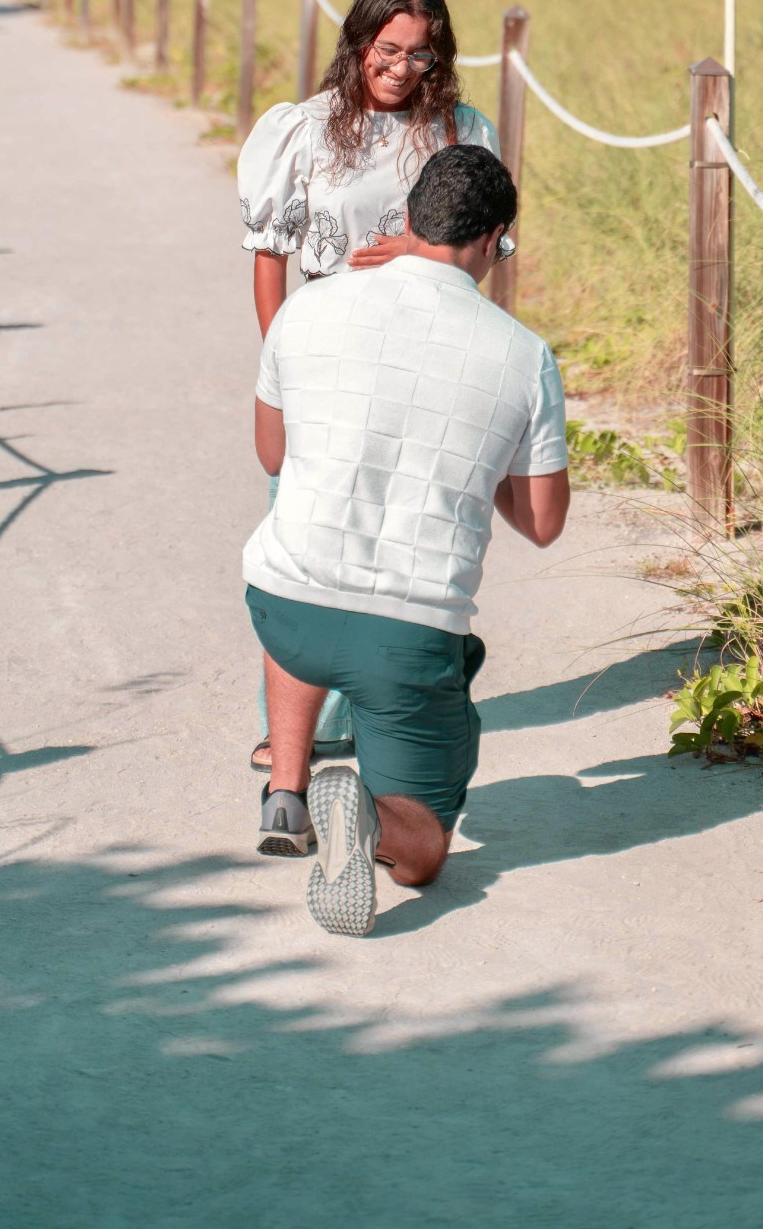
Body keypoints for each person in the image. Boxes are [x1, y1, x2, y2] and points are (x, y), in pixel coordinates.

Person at [243, 143, 570, 936]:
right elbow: (543, 524)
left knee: (304, 555)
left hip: (281, 606)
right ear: (494, 239)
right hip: (409, 632)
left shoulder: (306, 309)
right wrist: (480, 456)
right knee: (425, 854)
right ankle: (374, 824)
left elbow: (274, 456)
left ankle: (287, 787)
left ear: (409, 219)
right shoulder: (525, 357)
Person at [237, 0, 499, 773]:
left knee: (399, 532)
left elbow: (485, 260)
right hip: (326, 354)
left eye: (422, 55)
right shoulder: (303, 130)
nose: (402, 69)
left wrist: (419, 251)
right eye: (388, 49)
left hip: (426, 360)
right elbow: (269, 258)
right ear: (358, 41)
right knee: (306, 536)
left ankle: (367, 715)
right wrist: (284, 361)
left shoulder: (459, 130)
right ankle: (294, 735)